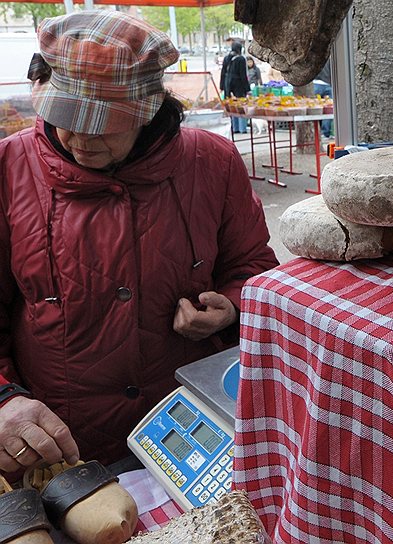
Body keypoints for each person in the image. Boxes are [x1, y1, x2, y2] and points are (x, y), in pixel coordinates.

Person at [0, 10, 278, 472]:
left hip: (191, 431)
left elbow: (253, 267)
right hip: (59, 446)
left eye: (103, 123)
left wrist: (232, 306)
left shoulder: (212, 161)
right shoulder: (9, 169)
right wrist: (5, 399)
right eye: (66, 117)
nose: (78, 139)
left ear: (148, 112)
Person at [222, 42, 250, 134]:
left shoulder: (226, 58)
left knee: (231, 105)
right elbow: (243, 75)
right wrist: (247, 89)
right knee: (240, 104)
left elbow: (223, 72)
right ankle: (242, 128)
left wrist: (222, 86)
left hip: (227, 83)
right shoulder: (241, 59)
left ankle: (234, 128)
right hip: (238, 84)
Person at [313, 59, 334, 139]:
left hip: (316, 84)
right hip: (327, 84)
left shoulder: (315, 57)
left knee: (316, 110)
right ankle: (325, 133)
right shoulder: (329, 58)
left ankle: (317, 132)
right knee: (328, 110)